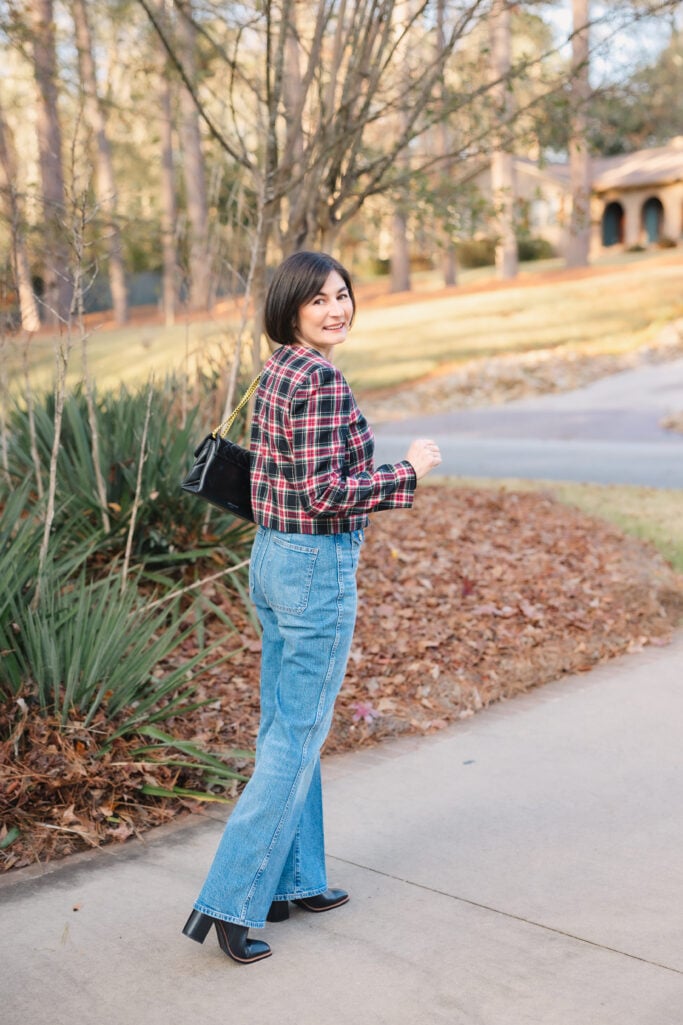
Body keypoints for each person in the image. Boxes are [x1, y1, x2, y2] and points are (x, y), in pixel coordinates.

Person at [182, 251, 441, 964]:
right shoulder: (320, 378)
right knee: (294, 735)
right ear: (291, 308)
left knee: (287, 724)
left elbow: (291, 475)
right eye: (319, 300)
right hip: (313, 569)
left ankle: (295, 879)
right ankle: (231, 899)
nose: (337, 309)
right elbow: (328, 491)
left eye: (343, 295)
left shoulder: (279, 369)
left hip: (271, 559)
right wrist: (407, 471)